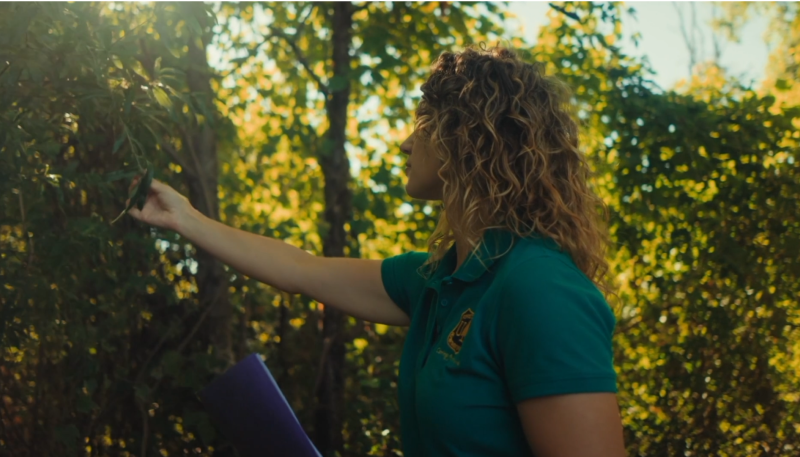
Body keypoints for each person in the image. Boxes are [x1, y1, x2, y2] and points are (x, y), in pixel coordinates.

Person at [126, 46, 627, 457]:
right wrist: (184, 217)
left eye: (423, 122)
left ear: (466, 136)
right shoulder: (438, 282)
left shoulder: (538, 286)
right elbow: (299, 269)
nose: (406, 144)